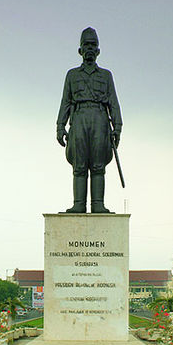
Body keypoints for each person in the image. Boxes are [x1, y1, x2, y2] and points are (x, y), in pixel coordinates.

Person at [56, 27, 122, 213]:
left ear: (98, 50)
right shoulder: (72, 75)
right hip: (79, 119)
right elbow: (65, 102)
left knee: (98, 165)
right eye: (86, 45)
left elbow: (114, 103)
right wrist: (60, 126)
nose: (90, 48)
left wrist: (117, 127)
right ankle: (79, 204)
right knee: (79, 164)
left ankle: (98, 204)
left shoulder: (106, 75)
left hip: (100, 120)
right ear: (80, 50)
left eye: (93, 45)